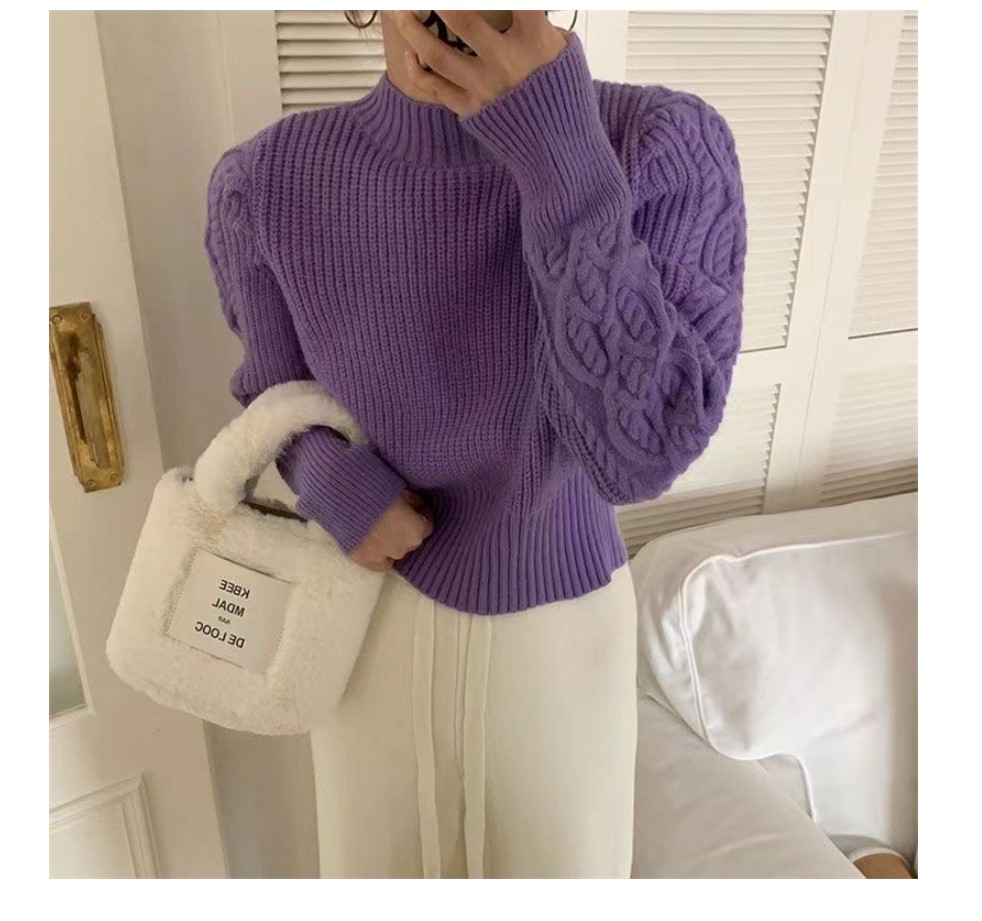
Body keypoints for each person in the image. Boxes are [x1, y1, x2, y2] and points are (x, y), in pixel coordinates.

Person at [203, 9, 747, 878]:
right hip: (363, 621)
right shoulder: (267, 181)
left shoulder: (658, 146)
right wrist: (331, 479)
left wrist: (559, 154)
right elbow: (273, 387)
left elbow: (641, 450)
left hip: (559, 635)